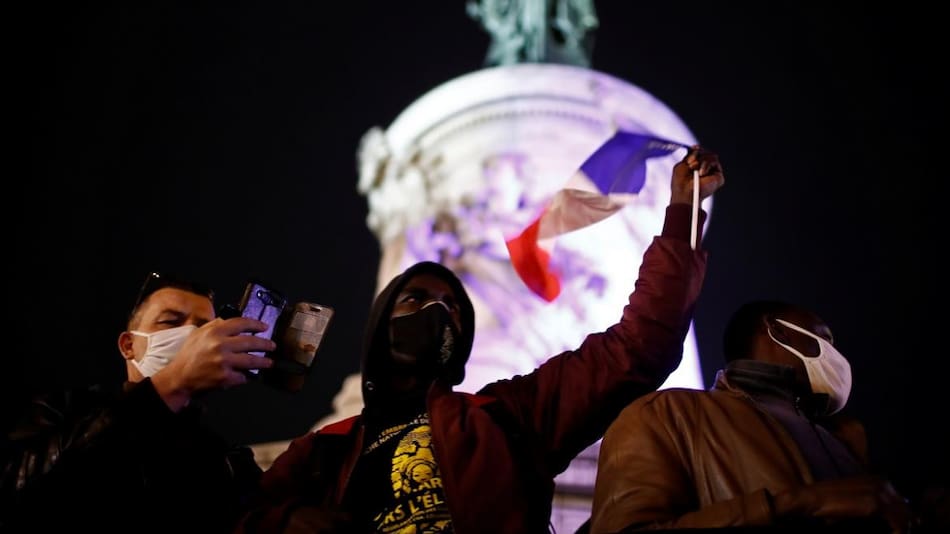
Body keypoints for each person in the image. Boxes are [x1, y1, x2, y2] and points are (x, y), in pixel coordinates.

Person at [234, 146, 725, 533]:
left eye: (451, 307)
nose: (436, 311)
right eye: (414, 299)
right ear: (379, 326)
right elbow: (235, 519)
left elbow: (639, 346)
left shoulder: (509, 416)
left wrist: (683, 210)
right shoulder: (322, 450)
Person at [588, 300, 916, 533]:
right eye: (825, 338)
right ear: (777, 331)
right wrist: (803, 503)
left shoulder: (844, 438)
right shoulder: (668, 415)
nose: (835, 355)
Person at [1, 272, 277, 533]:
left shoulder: (221, 456)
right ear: (128, 346)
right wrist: (170, 385)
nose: (191, 337)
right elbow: (20, 492)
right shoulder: (64, 410)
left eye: (204, 329)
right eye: (170, 322)